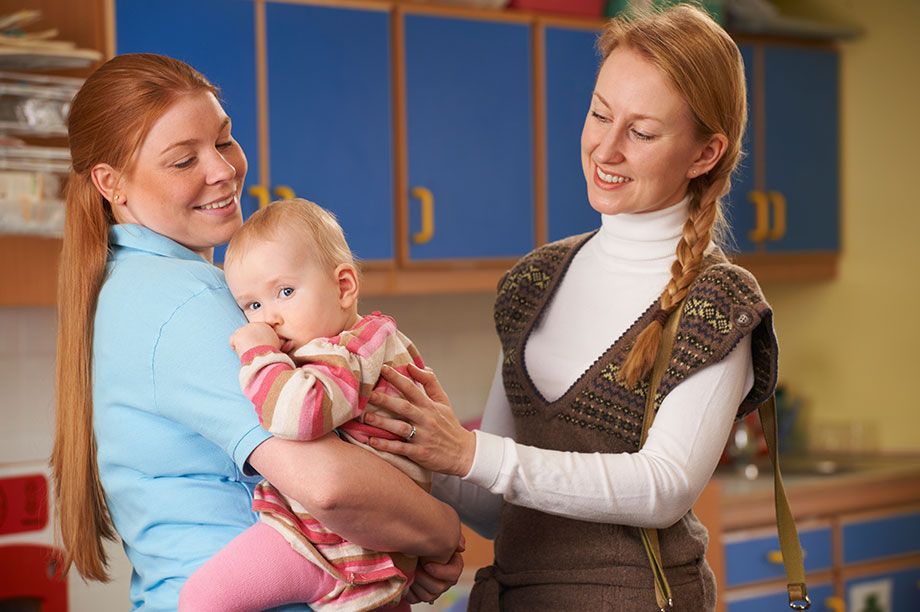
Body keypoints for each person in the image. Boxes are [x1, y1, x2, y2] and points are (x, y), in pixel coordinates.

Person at [364, 5, 779, 611]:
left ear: (704, 153)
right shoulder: (532, 282)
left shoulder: (718, 306)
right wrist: (409, 438)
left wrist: (471, 452)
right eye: (599, 114)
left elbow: (663, 489)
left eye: (641, 132)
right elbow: (494, 504)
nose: (605, 149)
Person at [51, 53, 462, 612]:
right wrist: (441, 532)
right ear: (111, 183)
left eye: (223, 139)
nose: (222, 170)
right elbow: (328, 485)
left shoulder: (129, 285)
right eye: (181, 160)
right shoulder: (187, 298)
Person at [179, 198, 438, 612]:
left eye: (285, 291)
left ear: (344, 286)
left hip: (321, 541)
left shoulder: (346, 353)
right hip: (376, 549)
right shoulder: (380, 341)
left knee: (201, 598)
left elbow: (302, 415)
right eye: (253, 306)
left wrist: (258, 356)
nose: (270, 319)